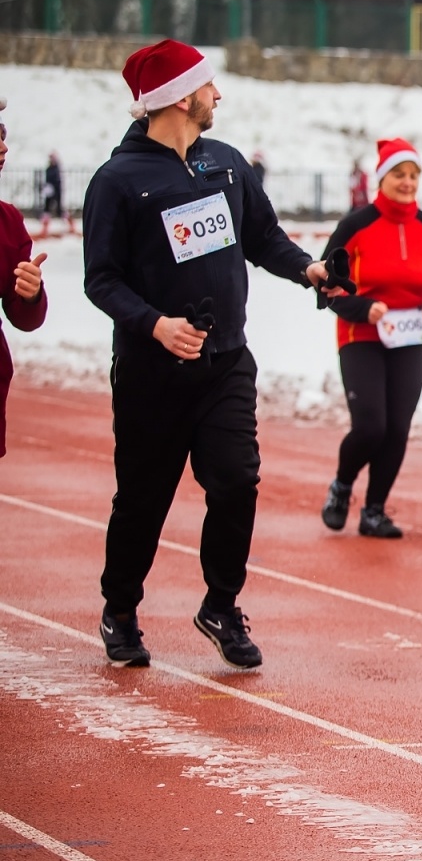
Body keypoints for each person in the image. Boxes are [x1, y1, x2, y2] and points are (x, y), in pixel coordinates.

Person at [83, 39, 337, 670]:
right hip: (152, 375)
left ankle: (221, 604)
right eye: (207, 86)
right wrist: (154, 326)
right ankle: (119, 610)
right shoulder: (117, 182)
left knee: (237, 480)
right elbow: (101, 279)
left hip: (225, 363)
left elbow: (262, 237)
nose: (217, 95)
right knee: (142, 500)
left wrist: (308, 269)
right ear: (176, 97)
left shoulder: (225, 163)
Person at [320, 138, 422, 539]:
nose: (408, 182)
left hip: (411, 336)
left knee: (397, 427)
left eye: (414, 175)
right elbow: (328, 284)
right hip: (361, 333)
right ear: (383, 178)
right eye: (399, 174)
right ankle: (342, 486)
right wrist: (363, 308)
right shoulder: (356, 225)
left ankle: (374, 510)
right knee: (370, 426)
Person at [0, 100, 48, 459]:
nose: (4, 147)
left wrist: (30, 293)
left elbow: (23, 317)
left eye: (3, 135)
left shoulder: (9, 221)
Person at [40, 152, 70, 238]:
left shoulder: (55, 169)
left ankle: (66, 225)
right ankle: (45, 228)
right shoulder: (49, 169)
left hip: (56, 191)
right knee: (47, 208)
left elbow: (56, 181)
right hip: (50, 190)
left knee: (59, 209)